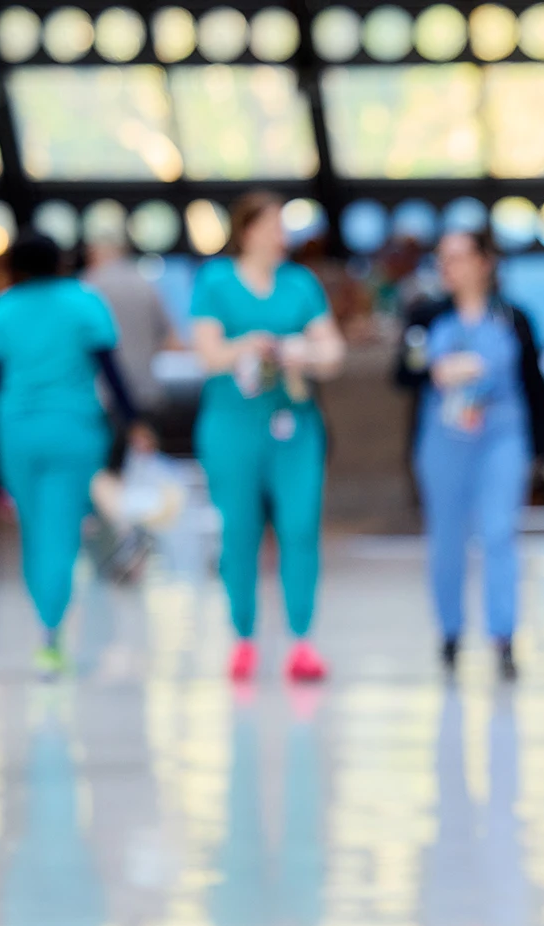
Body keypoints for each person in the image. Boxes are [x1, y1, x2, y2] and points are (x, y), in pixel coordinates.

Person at [394, 228, 544, 678]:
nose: (448, 267)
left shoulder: (513, 318)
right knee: (447, 539)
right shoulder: (426, 315)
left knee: (498, 532)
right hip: (443, 441)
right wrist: (434, 369)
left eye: (458, 257)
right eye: (442, 258)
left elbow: (535, 387)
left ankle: (503, 636)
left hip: (501, 437)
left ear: (484, 262)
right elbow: (403, 371)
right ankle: (450, 633)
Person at [189, 190, 345, 682]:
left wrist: (302, 353)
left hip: (294, 426)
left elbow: (332, 351)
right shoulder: (215, 282)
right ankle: (243, 637)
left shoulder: (300, 285)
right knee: (239, 531)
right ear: (248, 230)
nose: (283, 236)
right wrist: (246, 347)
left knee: (299, 527)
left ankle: (302, 640)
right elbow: (207, 353)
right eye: (275, 225)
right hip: (232, 427)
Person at [0, 234, 146, 674]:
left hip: (16, 432)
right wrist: (135, 421)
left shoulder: (2, 308)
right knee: (62, 530)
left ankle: (48, 624)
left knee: (35, 528)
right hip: (74, 430)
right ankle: (51, 632)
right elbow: (110, 370)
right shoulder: (83, 302)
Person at [82, 233, 179, 416]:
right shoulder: (146, 284)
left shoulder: (87, 287)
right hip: (146, 392)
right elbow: (172, 340)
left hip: (102, 398)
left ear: (93, 254)